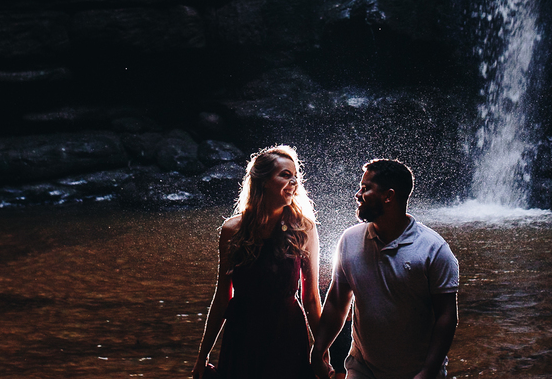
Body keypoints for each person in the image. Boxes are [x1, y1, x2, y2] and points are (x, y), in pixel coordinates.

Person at [311, 159, 459, 379]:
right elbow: (336, 300)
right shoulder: (350, 240)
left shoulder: (433, 250)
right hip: (363, 369)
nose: (357, 194)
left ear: (388, 196)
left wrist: (428, 370)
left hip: (416, 372)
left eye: (366, 188)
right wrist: (318, 350)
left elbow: (446, 316)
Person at [193, 145, 322, 379]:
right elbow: (222, 297)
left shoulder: (304, 229)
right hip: (243, 333)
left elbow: (311, 298)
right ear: (263, 181)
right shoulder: (232, 230)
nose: (294, 182)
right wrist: (203, 356)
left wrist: (323, 353)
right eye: (285, 175)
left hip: (287, 333)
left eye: (295, 176)